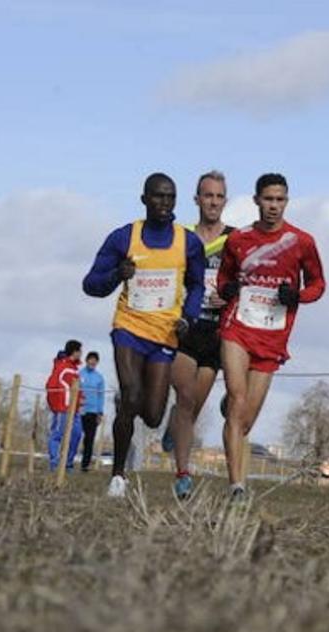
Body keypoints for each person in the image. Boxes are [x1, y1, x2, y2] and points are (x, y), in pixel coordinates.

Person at [83, 172, 205, 498]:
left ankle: (129, 402)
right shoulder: (124, 238)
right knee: (132, 395)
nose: (164, 203)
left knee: (151, 415)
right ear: (144, 199)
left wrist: (188, 316)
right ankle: (118, 476)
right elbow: (91, 284)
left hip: (164, 334)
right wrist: (115, 274)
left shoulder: (187, 242)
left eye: (170, 197)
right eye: (158, 196)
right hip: (129, 328)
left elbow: (197, 285)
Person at [216, 173, 325, 501]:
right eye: (268, 199)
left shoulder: (301, 241)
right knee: (237, 401)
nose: (273, 206)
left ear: (286, 202)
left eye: (279, 200)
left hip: (273, 337)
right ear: (256, 200)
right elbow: (223, 280)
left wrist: (298, 296)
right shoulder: (239, 240)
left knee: (244, 420)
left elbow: (318, 284)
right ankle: (236, 487)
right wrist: (228, 289)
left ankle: (232, 409)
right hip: (237, 327)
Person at [163, 171, 235, 499]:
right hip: (184, 327)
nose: (214, 202)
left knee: (191, 409)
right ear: (196, 199)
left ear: (226, 201)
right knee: (185, 397)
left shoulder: (236, 240)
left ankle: (174, 427)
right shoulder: (182, 236)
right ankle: (183, 474)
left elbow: (247, 279)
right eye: (208, 196)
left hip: (215, 332)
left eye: (219, 197)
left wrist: (230, 295)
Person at [45, 340, 84, 472]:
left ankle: (68, 462)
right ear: (75, 352)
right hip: (63, 408)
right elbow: (51, 386)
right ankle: (54, 463)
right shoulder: (61, 367)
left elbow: (77, 387)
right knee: (57, 434)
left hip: (75, 409)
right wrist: (56, 406)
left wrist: (81, 399)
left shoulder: (75, 369)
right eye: (80, 351)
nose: (81, 353)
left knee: (77, 434)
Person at [78, 351, 107, 471]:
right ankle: (67, 460)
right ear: (87, 360)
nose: (92, 362)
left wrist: (100, 412)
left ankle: (85, 464)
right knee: (75, 435)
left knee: (89, 438)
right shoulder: (79, 374)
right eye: (91, 359)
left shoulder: (99, 378)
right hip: (80, 409)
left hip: (93, 411)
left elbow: (101, 396)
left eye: (95, 361)